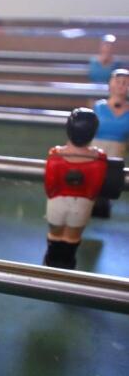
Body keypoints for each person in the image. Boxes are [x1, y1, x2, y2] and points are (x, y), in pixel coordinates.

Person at [43, 108, 107, 269]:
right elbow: (94, 189)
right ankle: (67, 262)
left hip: (57, 201)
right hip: (82, 204)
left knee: (55, 233)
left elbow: (50, 185)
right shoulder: (99, 159)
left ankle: (51, 260)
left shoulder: (55, 155)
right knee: (72, 235)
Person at [91, 68, 129, 217]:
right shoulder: (98, 107)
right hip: (95, 158)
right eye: (118, 81)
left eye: (125, 83)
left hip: (116, 161)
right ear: (110, 84)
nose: (121, 85)